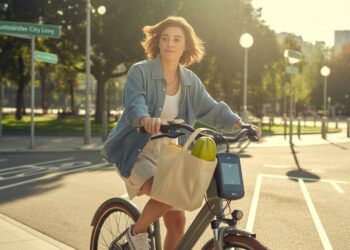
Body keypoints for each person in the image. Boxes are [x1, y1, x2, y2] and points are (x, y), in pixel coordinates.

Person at [102, 16, 261, 250]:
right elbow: (135, 103)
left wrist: (241, 125)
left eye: (177, 39)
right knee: (170, 193)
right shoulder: (140, 72)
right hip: (135, 149)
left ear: (185, 45)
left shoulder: (189, 81)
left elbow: (212, 108)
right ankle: (136, 233)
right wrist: (145, 119)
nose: (170, 44)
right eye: (165, 38)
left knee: (177, 222)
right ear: (158, 42)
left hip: (168, 152)